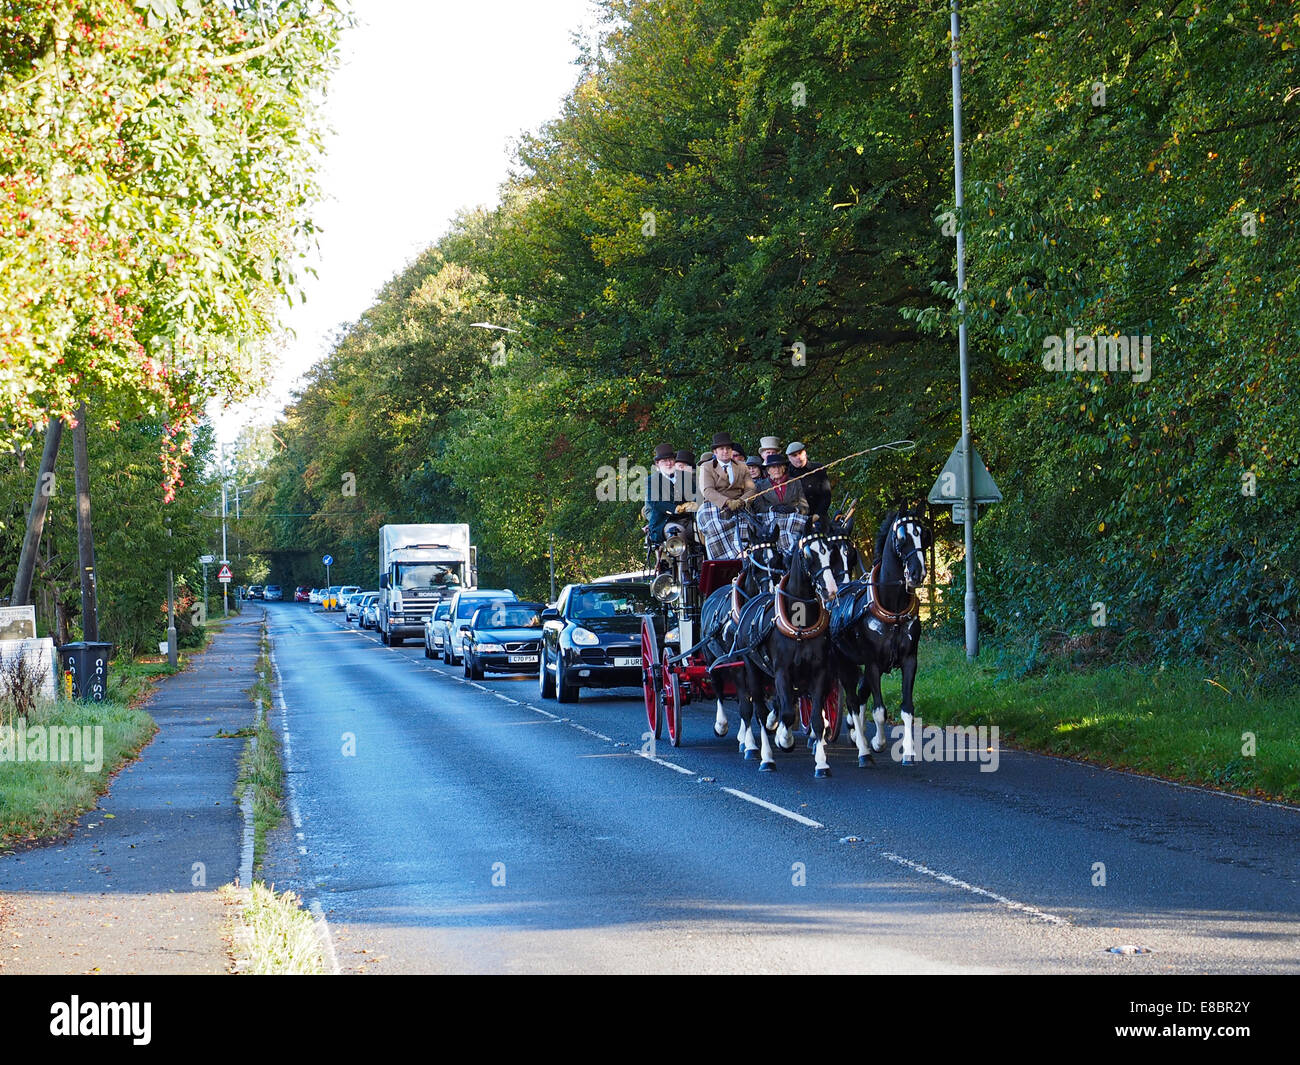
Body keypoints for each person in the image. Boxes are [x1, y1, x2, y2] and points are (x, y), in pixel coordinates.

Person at [695, 431, 759, 559]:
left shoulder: (742, 466)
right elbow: (707, 490)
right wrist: (727, 502)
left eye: (728, 448)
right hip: (713, 506)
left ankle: (742, 555)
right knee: (714, 527)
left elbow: (751, 489)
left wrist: (741, 501)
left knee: (748, 522)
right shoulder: (707, 467)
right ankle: (723, 560)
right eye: (721, 449)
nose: (725, 451)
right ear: (715, 452)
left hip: (739, 505)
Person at [752, 452, 809, 552]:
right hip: (772, 523)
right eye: (773, 467)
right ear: (768, 470)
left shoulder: (795, 482)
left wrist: (794, 509)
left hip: (793, 521)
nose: (777, 470)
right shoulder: (760, 486)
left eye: (779, 466)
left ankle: (793, 551)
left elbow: (805, 506)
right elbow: (758, 508)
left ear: (784, 468)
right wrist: (772, 508)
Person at [786, 440, 831, 530]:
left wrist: (817, 516)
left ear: (805, 453)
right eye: (794, 455)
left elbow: (826, 496)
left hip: (819, 517)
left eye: (800, 453)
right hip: (796, 520)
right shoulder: (787, 474)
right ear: (789, 458)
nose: (798, 457)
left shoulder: (818, 469)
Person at [643, 442, 680, 546]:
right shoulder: (651, 481)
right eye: (664, 461)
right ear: (657, 464)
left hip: (687, 519)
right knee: (676, 533)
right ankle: (683, 563)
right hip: (664, 522)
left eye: (671, 460)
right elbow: (655, 503)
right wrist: (675, 509)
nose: (668, 463)